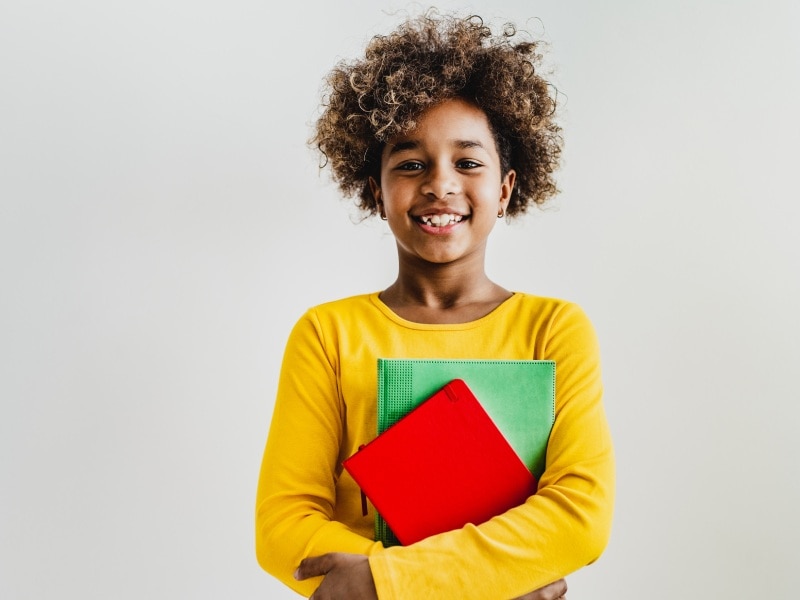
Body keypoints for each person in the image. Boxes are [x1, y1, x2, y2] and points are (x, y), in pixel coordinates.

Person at [255, 10, 614, 600]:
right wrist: (483, 584)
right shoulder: (327, 333)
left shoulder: (554, 330)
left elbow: (579, 515)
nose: (440, 184)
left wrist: (388, 582)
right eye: (410, 163)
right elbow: (283, 525)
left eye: (468, 163)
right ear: (375, 191)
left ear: (504, 189)